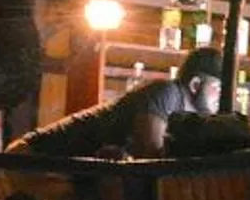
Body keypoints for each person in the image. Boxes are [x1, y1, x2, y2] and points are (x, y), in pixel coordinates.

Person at [17, 48, 227, 159]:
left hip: (58, 165)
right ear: (195, 83)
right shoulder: (167, 93)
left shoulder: (183, 113)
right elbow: (149, 154)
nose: (221, 95)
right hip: (34, 157)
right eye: (217, 87)